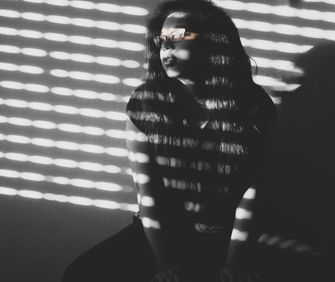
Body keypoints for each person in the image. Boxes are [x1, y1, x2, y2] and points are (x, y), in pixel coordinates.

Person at [62, 1, 275, 282]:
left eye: (177, 38)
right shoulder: (145, 104)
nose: (166, 49)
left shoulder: (252, 105)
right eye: (161, 41)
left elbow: (252, 191)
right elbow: (147, 195)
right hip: (161, 233)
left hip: (225, 236)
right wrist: (166, 265)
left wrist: (235, 262)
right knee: (80, 274)